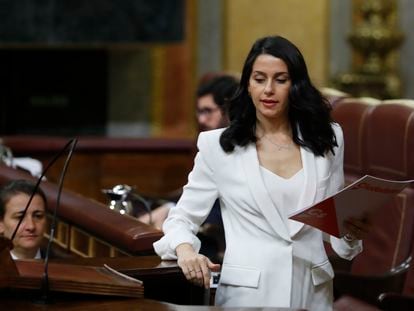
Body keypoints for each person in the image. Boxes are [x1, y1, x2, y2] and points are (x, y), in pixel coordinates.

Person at [153, 35, 369, 309]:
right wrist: (185, 251)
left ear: (296, 86)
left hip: (312, 295)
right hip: (247, 297)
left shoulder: (328, 139)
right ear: (248, 84)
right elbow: (180, 219)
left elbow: (334, 226)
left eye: (280, 79)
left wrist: (351, 231)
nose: (268, 89)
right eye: (259, 79)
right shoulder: (217, 146)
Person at [140, 73, 239, 262]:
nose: (201, 119)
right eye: (199, 111)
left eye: (208, 111)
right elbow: (196, 195)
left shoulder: (240, 149)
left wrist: (169, 209)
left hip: (218, 241)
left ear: (227, 110)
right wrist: (171, 208)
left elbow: (219, 210)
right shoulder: (208, 144)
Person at [0, 179, 47, 260]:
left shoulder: (67, 265)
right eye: (20, 217)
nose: (31, 226)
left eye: (38, 216)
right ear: (1, 224)